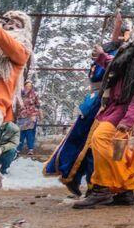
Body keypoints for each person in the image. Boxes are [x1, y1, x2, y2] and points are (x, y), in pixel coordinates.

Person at [74, 14, 134, 209]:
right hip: (118, 107)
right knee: (122, 151)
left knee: (101, 139)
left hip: (129, 112)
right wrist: (101, 56)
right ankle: (125, 190)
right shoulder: (132, 51)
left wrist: (128, 121)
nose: (132, 31)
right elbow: (116, 65)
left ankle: (102, 188)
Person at [44, 32, 126, 197]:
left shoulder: (101, 60)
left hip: (93, 101)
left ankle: (75, 177)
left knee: (84, 141)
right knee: (92, 144)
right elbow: (115, 71)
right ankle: (92, 184)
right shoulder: (112, 59)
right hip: (102, 103)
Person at [0, 10, 33, 193]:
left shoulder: (21, 49)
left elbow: (10, 46)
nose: (12, 24)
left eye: (18, 23)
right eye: (9, 21)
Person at [17, 80, 40, 155]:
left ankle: (30, 149)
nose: (28, 87)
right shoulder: (20, 94)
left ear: (32, 87)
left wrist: (35, 114)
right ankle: (18, 149)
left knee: (30, 133)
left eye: (30, 86)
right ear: (24, 86)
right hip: (22, 115)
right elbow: (17, 104)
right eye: (26, 86)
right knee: (21, 133)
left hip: (31, 116)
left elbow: (38, 105)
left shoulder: (35, 94)